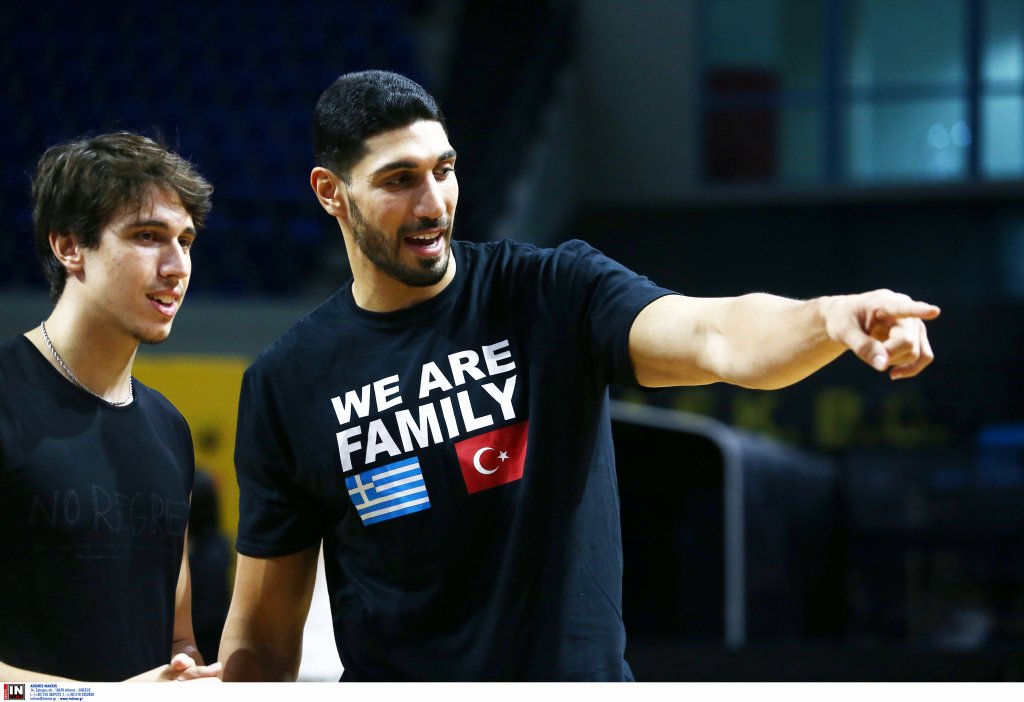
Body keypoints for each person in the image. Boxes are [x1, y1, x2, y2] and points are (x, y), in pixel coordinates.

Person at [219, 70, 940, 681]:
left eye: (444, 169)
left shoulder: (551, 291)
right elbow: (262, 635)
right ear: (331, 192)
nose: (434, 203)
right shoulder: (287, 382)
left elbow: (715, 334)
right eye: (399, 180)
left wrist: (827, 317)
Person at [0, 132, 221, 682]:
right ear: (69, 246)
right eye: (148, 236)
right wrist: (97, 699)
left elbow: (178, 640)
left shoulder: (170, 428)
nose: (177, 266)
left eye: (186, 241)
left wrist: (191, 678)